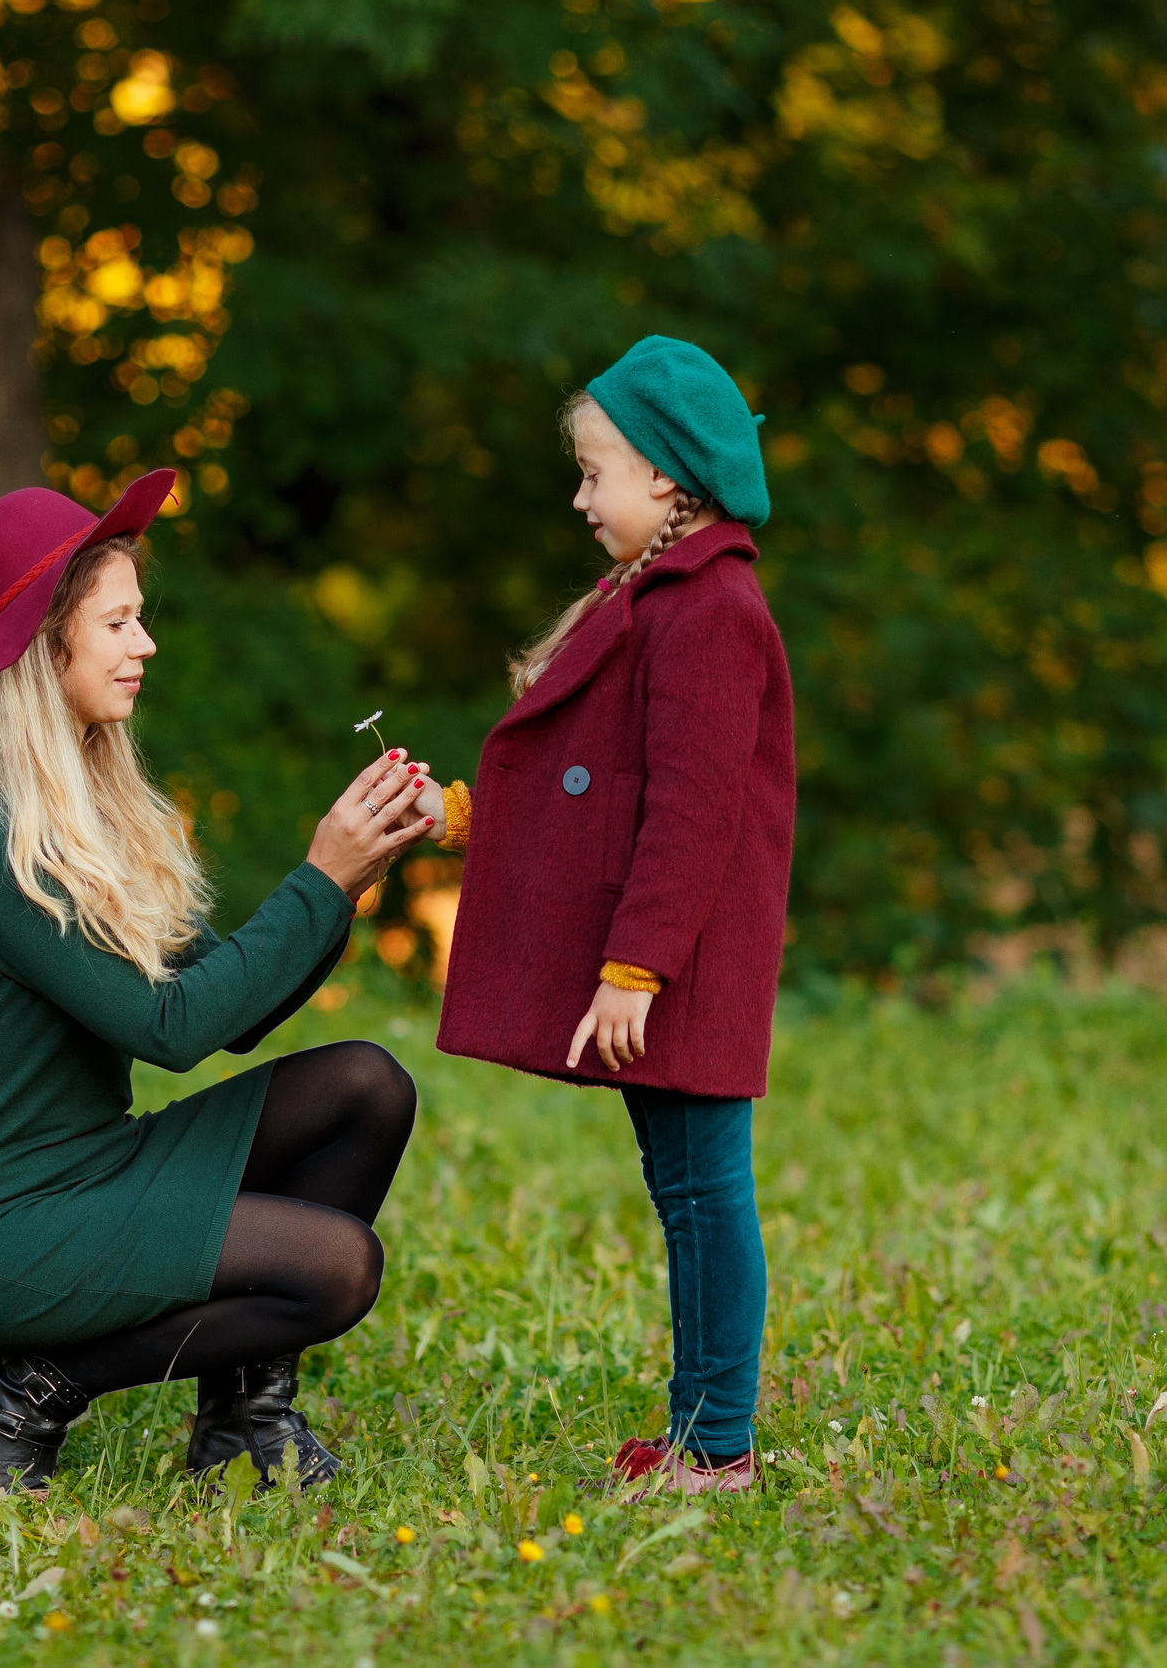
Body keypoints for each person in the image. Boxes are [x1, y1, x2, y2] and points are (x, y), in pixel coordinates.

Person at [0, 468, 439, 1503]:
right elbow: (173, 1029)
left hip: (89, 1170)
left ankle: (242, 1423)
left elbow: (218, 1006)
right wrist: (316, 880)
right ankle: (21, 1393)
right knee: (336, 1268)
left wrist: (347, 885)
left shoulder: (81, 812)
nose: (143, 645)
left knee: (367, 1085)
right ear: (40, 646)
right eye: (118, 623)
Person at [416, 337, 795, 1495]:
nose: (580, 500)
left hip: (675, 964)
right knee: (686, 1195)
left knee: (702, 1196)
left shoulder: (712, 610)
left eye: (595, 474)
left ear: (669, 480)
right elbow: (601, 793)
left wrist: (633, 971)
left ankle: (717, 1444)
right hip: (659, 962)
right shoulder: (654, 599)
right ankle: (700, 1432)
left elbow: (690, 815)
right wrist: (464, 820)